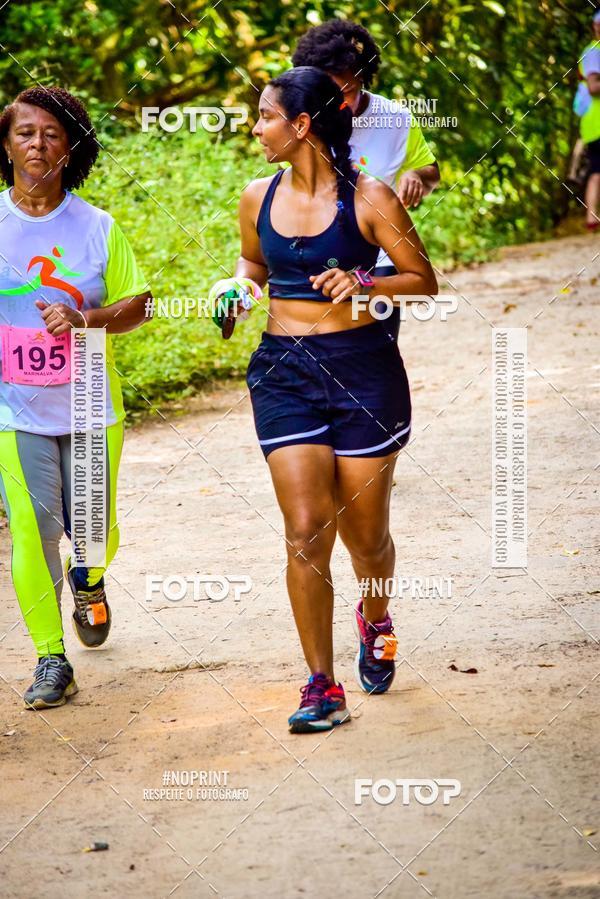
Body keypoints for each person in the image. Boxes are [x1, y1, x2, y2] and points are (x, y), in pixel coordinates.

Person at [228, 66, 437, 733]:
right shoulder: (256, 195)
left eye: (265, 115)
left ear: (303, 124)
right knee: (305, 529)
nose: (256, 128)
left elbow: (422, 279)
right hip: (284, 372)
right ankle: (321, 683)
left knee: (366, 537)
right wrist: (236, 291)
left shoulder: (369, 196)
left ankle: (375, 617)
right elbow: (254, 264)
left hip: (362, 372)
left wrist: (364, 277)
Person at [0, 87, 151, 709]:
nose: (39, 144)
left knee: (93, 529)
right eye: (25, 132)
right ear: (6, 144)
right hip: (14, 410)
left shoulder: (98, 227)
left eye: (53, 134)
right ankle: (50, 658)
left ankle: (89, 578)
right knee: (33, 531)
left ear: (73, 146)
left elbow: (138, 306)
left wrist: (84, 317)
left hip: (90, 405)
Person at [292, 20, 440, 337]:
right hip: (319, 251)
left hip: (380, 255)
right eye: (330, 94)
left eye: (349, 90)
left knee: (376, 347)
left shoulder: (395, 120)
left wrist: (416, 175)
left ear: (362, 79)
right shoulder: (303, 123)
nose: (342, 102)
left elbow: (432, 173)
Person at [574, 10, 600, 230]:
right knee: (597, 171)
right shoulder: (593, 52)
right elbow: (593, 87)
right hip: (596, 122)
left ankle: (592, 218)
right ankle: (591, 218)